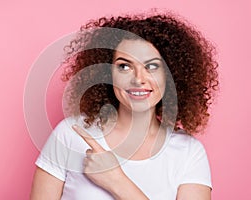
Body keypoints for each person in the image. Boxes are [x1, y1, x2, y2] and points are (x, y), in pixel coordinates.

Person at [30, 11, 219, 200]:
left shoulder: (188, 153)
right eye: (124, 66)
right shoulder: (70, 135)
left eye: (152, 66)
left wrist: (116, 180)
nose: (138, 79)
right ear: (107, 74)